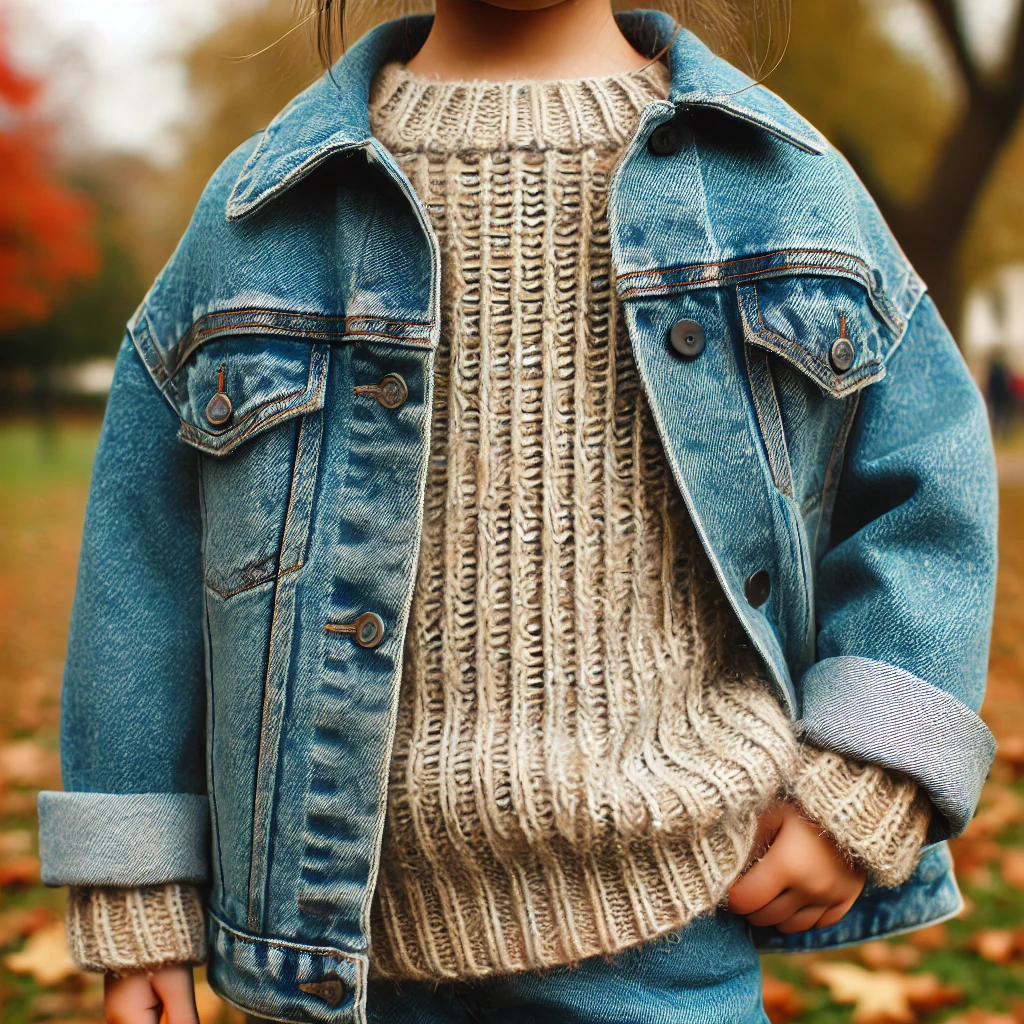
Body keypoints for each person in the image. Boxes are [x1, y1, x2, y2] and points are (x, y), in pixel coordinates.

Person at [37, 2, 999, 1023]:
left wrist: (869, 776)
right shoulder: (258, 218)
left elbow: (924, 481)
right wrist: (138, 889)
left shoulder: (782, 185)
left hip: (671, 941)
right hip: (340, 953)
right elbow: (141, 569)